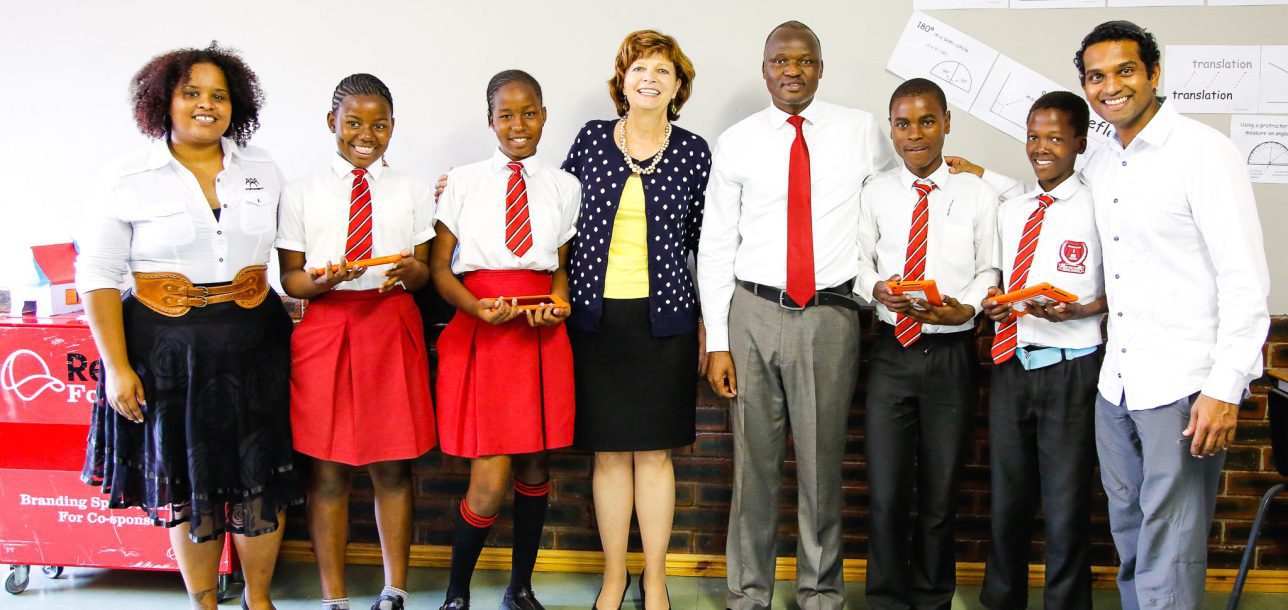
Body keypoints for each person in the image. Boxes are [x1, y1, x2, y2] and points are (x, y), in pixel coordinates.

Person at [948, 20, 1270, 610]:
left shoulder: (1204, 152)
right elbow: (1046, 194)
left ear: (1153, 73)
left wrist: (1225, 387)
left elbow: (1246, 280)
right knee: (1129, 532)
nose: (1110, 86)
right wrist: (979, 175)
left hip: (1183, 385)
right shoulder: (1104, 163)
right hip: (1116, 384)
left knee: (1170, 543)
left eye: (1125, 71)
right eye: (1096, 76)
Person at [75, 43, 299, 610]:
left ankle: (259, 600)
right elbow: (98, 274)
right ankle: (202, 601)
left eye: (219, 95)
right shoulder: (128, 175)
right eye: (191, 93)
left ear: (237, 104)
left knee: (258, 478)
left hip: (256, 346)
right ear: (163, 102)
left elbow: (296, 244)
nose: (207, 104)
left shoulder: (263, 167)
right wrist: (116, 367)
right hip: (167, 352)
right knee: (188, 483)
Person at [698, 21, 894, 610]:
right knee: (753, 468)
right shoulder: (737, 141)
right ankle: (749, 592)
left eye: (804, 61)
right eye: (780, 61)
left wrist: (967, 174)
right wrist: (717, 340)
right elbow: (716, 244)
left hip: (830, 315)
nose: (792, 71)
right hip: (753, 313)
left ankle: (820, 592)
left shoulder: (862, 131)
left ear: (820, 67)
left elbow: (898, 199)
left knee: (820, 467)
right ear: (765, 70)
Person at [560, 30, 709, 610]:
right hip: (596, 321)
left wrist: (706, 326)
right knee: (608, 455)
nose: (650, 77)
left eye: (663, 70)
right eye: (639, 67)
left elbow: (706, 241)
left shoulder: (694, 151)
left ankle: (654, 579)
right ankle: (615, 575)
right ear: (622, 81)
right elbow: (557, 217)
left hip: (664, 322)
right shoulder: (592, 140)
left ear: (678, 86)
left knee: (654, 455)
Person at [276, 73, 437, 610]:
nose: (366, 134)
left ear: (393, 128)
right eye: (353, 123)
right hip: (326, 328)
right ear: (332, 124)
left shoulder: (411, 187)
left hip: (390, 323)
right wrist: (322, 280)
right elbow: (291, 279)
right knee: (328, 468)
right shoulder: (301, 191)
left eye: (379, 124)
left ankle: (394, 589)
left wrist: (409, 272)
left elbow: (423, 271)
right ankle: (334, 597)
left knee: (392, 464)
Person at [431, 69, 581, 610]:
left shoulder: (566, 187)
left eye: (529, 112)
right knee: (489, 477)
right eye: (505, 114)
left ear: (544, 114)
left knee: (537, 465)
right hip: (485, 329)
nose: (518, 125)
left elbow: (560, 271)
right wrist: (474, 306)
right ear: (489, 120)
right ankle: (455, 593)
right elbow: (440, 268)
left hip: (539, 334)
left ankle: (521, 587)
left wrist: (558, 305)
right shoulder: (464, 182)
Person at [854, 78, 998, 610]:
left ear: (946, 123)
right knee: (888, 493)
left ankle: (933, 597)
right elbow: (858, 261)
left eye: (926, 121)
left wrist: (968, 307)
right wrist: (878, 289)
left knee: (940, 493)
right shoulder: (875, 192)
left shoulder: (977, 194)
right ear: (891, 128)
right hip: (892, 352)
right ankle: (887, 599)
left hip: (952, 355)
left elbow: (990, 267)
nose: (915, 134)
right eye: (902, 123)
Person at [976, 91, 1105, 610]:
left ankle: (1066, 603)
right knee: (1007, 499)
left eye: (1055, 137)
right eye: (1034, 136)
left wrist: (1082, 310)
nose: (1041, 147)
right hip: (1014, 364)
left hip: (1072, 370)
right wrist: (993, 301)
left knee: (1066, 503)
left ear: (1079, 142)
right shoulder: (1014, 208)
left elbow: (1122, 287)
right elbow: (997, 275)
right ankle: (1002, 599)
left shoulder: (1098, 207)